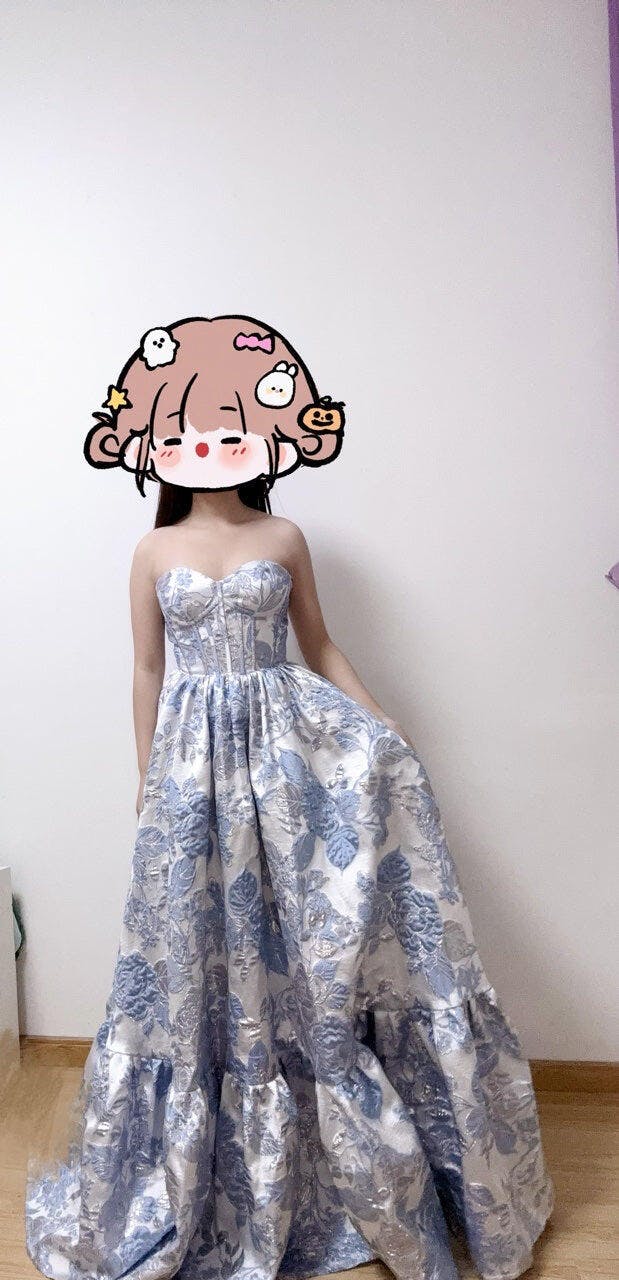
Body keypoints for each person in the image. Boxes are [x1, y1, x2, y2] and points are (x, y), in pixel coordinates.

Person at [25, 316, 554, 1280]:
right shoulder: (151, 550)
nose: (210, 445)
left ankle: (337, 1154)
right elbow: (146, 669)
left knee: (309, 940)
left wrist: (381, 723)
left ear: (263, 438)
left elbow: (319, 644)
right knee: (202, 942)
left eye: (230, 428)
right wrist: (147, 775)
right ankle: (217, 1170)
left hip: (289, 760)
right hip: (194, 766)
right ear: (158, 443)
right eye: (188, 430)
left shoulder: (284, 535)